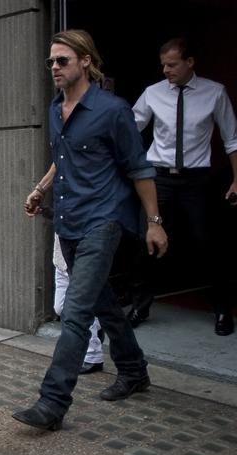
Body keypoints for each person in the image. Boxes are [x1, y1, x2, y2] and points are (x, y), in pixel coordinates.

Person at [12, 30, 168, 431]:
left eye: (62, 60)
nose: (55, 68)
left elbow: (139, 167)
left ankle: (52, 402)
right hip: (68, 219)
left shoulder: (112, 110)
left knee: (76, 312)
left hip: (104, 219)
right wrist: (39, 189)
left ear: (85, 61)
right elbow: (62, 160)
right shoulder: (54, 109)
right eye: (50, 62)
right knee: (102, 303)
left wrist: (153, 222)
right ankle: (134, 370)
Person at [128, 37, 237, 336]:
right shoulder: (152, 93)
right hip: (158, 178)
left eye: (172, 64)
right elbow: (129, 129)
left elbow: (232, 139)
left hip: (196, 180)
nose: (165, 70)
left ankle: (222, 308)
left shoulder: (215, 93)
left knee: (206, 243)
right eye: (163, 64)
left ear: (190, 62)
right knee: (146, 240)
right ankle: (140, 305)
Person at [53, 233, 104, 374]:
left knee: (81, 310)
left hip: (80, 263)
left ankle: (93, 357)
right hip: (60, 261)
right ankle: (98, 322)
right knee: (59, 308)